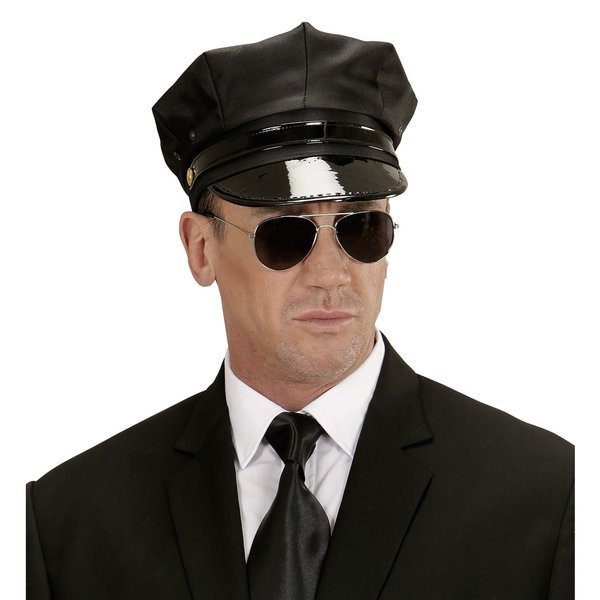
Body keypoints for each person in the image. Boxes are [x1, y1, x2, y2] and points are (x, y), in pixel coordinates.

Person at [26, 22, 574, 600]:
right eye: (285, 235)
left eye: (362, 228)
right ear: (201, 249)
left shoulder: (547, 496)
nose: (331, 274)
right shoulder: (71, 523)